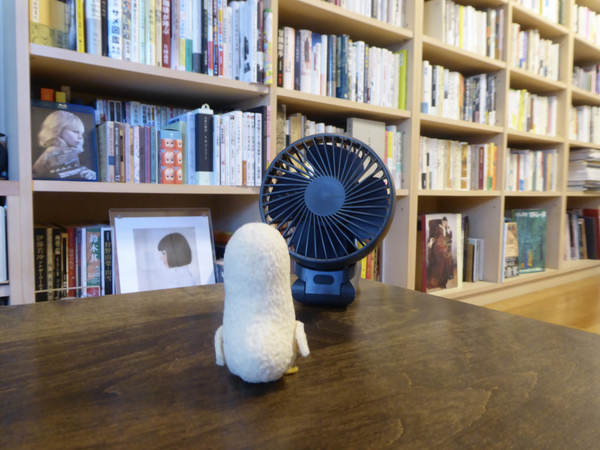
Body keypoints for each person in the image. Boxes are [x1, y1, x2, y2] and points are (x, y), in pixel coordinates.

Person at [32, 110, 96, 180]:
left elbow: (71, 170)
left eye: (81, 133)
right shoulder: (56, 151)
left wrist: (89, 173)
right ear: (59, 130)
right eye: (75, 132)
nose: (80, 137)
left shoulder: (61, 151)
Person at [427, 217, 454, 290]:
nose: (445, 224)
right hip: (438, 245)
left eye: (446, 223)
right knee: (443, 255)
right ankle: (436, 281)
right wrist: (431, 242)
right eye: (444, 222)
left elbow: (449, 237)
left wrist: (449, 229)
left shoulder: (446, 229)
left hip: (444, 245)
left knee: (446, 258)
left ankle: (443, 281)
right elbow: (435, 236)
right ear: (442, 221)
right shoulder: (438, 228)